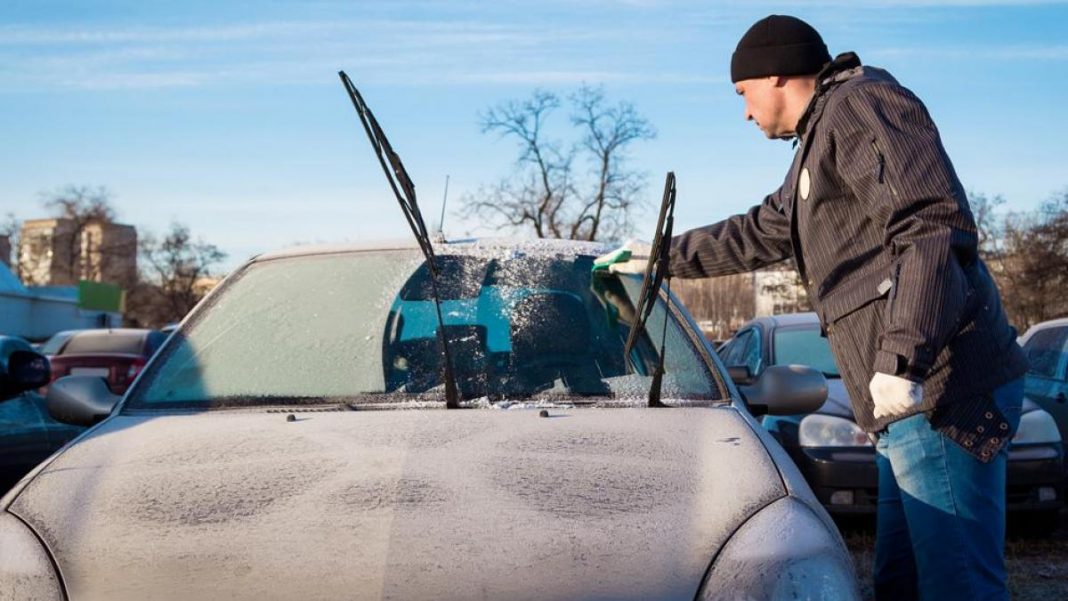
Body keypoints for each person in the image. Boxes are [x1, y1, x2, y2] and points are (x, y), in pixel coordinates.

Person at [615, 14, 1029, 601]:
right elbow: (760, 231)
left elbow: (931, 224)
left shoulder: (862, 104)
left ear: (775, 74)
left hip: (940, 390)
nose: (745, 113)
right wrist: (659, 256)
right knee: (902, 583)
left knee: (956, 586)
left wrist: (903, 357)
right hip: (907, 404)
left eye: (742, 93)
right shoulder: (818, 141)